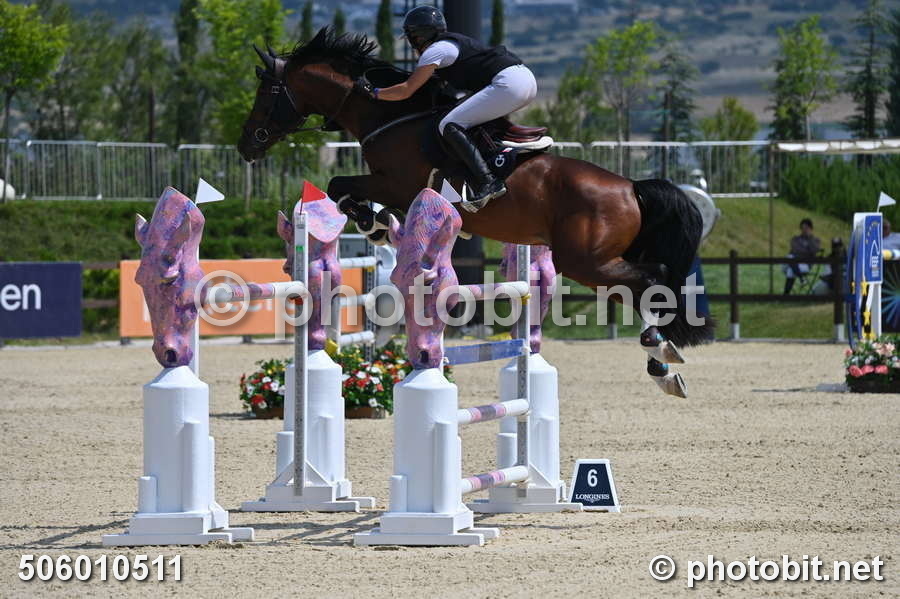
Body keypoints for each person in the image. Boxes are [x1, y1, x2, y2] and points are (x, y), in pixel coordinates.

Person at [358, 5, 537, 207]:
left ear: (419, 36)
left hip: (509, 84)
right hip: (523, 81)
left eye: (412, 38)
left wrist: (374, 93)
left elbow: (407, 90)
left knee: (448, 124)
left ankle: (488, 181)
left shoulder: (435, 51)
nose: (412, 44)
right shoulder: (448, 46)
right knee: (465, 118)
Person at [783, 218, 821, 295]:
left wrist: (810, 239)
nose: (804, 230)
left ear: (811, 229)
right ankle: (802, 279)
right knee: (790, 257)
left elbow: (815, 250)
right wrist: (806, 251)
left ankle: (785, 295)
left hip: (805, 265)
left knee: (791, 269)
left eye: (806, 228)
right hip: (792, 263)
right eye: (802, 228)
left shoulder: (816, 240)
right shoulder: (795, 239)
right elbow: (795, 249)